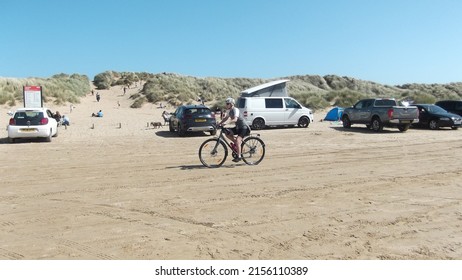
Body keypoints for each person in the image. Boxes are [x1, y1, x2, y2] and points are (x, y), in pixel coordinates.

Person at [218, 97, 249, 162]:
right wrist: (219, 123)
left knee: (238, 140)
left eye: (227, 103)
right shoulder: (229, 110)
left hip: (244, 127)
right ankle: (237, 145)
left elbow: (235, 119)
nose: (226, 105)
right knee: (227, 132)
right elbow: (225, 118)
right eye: (226, 103)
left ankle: (239, 156)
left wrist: (226, 123)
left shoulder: (235, 110)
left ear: (232, 104)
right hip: (238, 127)